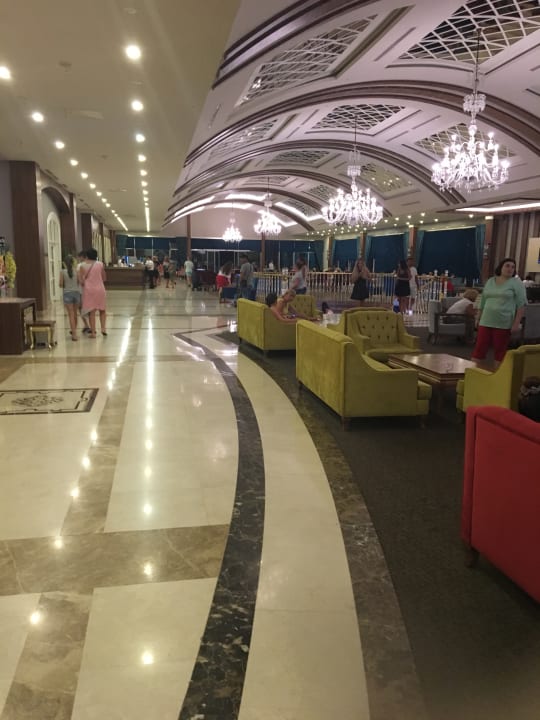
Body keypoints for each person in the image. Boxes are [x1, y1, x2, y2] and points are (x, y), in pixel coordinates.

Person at [471, 257, 527, 366]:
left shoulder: (516, 283)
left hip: (503, 322)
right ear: (501, 267)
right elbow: (483, 301)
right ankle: (472, 372)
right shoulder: (490, 281)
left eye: (513, 267)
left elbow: (521, 305)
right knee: (479, 348)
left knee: (500, 351)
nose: (510, 269)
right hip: (486, 320)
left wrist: (516, 323)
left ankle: (499, 375)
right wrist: (478, 317)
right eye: (507, 266)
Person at [78, 247, 107, 338]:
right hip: (100, 289)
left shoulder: (82, 266)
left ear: (87, 256)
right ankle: (103, 329)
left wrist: (86, 282)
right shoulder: (100, 264)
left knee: (92, 312)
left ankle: (93, 333)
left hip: (89, 290)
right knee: (102, 310)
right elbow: (104, 278)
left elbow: (81, 281)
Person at [59, 254, 82, 341]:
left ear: (65, 263)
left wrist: (66, 285)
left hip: (67, 294)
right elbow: (79, 282)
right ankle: (74, 331)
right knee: (75, 314)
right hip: (76, 293)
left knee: (71, 315)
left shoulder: (62, 272)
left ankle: (74, 334)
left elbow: (61, 284)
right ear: (73, 262)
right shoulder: (77, 271)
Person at [76, 250, 91, 333]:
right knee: (90, 308)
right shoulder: (92, 264)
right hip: (91, 289)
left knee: (80, 307)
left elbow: (78, 278)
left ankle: (86, 325)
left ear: (82, 257)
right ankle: (91, 326)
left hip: (82, 290)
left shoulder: (79, 266)